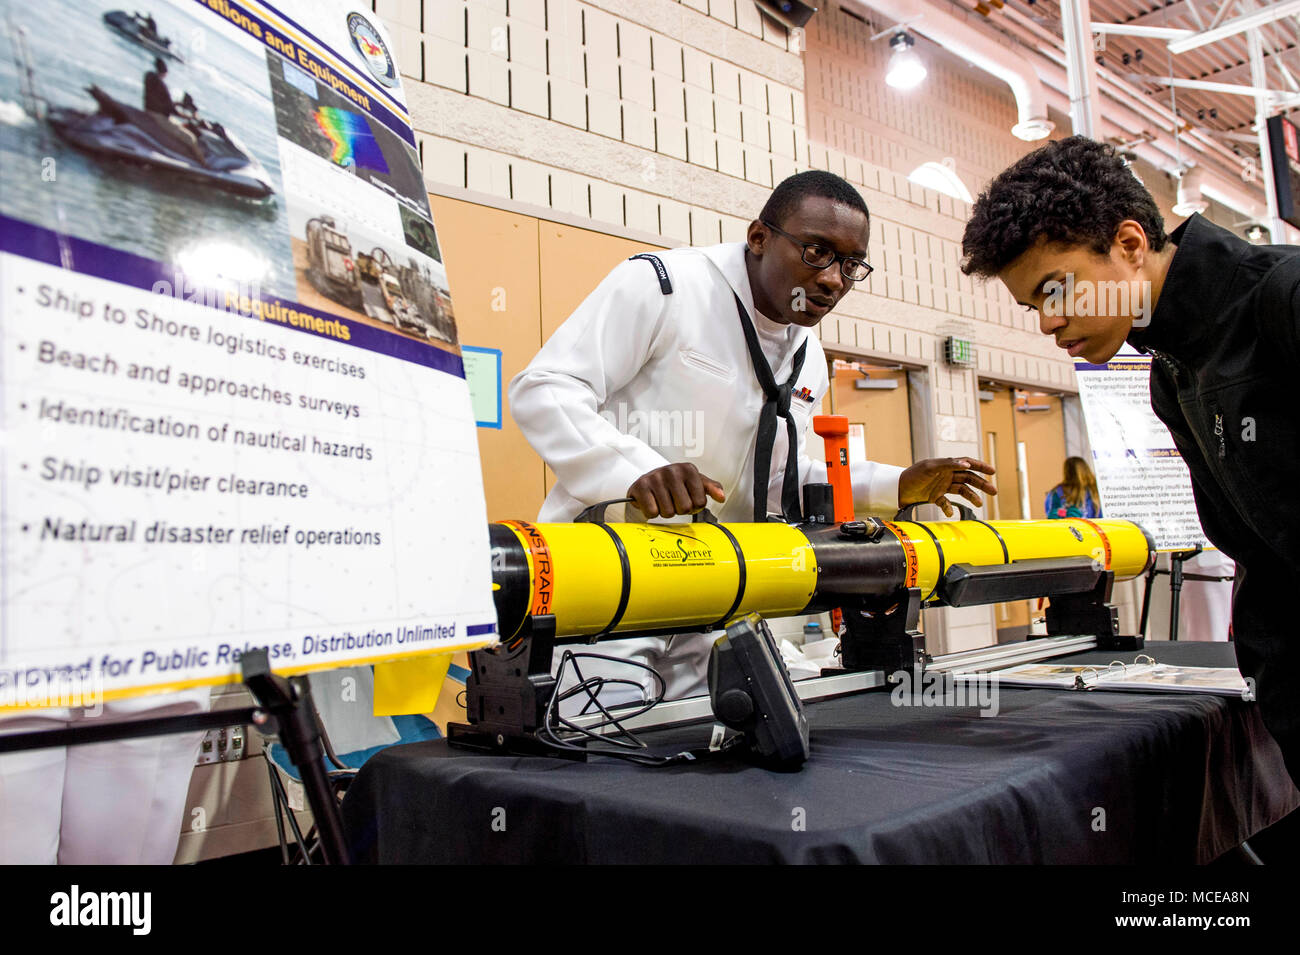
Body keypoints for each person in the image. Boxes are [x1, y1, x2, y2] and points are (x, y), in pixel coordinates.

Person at [510, 170, 997, 707]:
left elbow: (784, 479)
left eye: (851, 264)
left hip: (712, 599)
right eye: (817, 251)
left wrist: (897, 483)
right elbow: (545, 388)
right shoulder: (665, 284)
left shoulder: (808, 351)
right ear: (759, 237)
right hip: (608, 587)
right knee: (599, 759)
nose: (835, 279)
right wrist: (634, 473)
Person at [960, 134, 1300, 784]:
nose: (1047, 323)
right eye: (1033, 305)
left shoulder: (1282, 298)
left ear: (1130, 244)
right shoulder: (1172, 375)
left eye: (1056, 289)